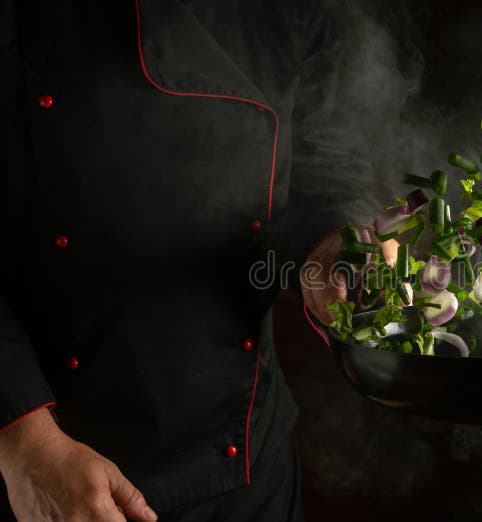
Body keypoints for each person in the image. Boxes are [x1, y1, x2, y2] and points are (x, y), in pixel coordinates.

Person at [0, 0, 389, 520]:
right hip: (45, 471)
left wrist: (335, 243)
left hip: (247, 465)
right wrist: (26, 442)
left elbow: (326, 151)